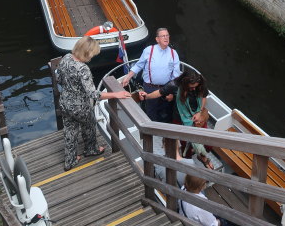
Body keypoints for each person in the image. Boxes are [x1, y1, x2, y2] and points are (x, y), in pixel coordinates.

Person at [56, 36, 131, 171]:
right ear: (87, 53)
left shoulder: (65, 58)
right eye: (92, 54)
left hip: (65, 103)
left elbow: (59, 80)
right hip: (80, 106)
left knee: (70, 131)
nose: (92, 57)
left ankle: (70, 160)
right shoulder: (82, 68)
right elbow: (94, 94)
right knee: (89, 125)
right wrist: (116, 94)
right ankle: (91, 149)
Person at [140, 70, 213, 165]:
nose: (194, 89)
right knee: (185, 142)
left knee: (205, 138)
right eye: (191, 87)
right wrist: (146, 97)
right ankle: (188, 159)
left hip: (198, 115)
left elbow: (204, 97)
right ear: (184, 84)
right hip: (180, 118)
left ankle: (202, 155)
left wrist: (199, 112)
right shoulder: (174, 85)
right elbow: (159, 92)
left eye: (196, 87)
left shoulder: (200, 85)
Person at [121, 27, 181, 122]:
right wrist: (128, 77)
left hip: (166, 88)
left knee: (166, 111)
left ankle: (164, 132)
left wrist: (171, 92)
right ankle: (151, 132)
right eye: (163, 36)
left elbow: (176, 76)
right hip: (150, 87)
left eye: (167, 35)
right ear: (157, 39)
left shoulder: (174, 53)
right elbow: (139, 65)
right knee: (151, 111)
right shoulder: (149, 50)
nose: (166, 38)